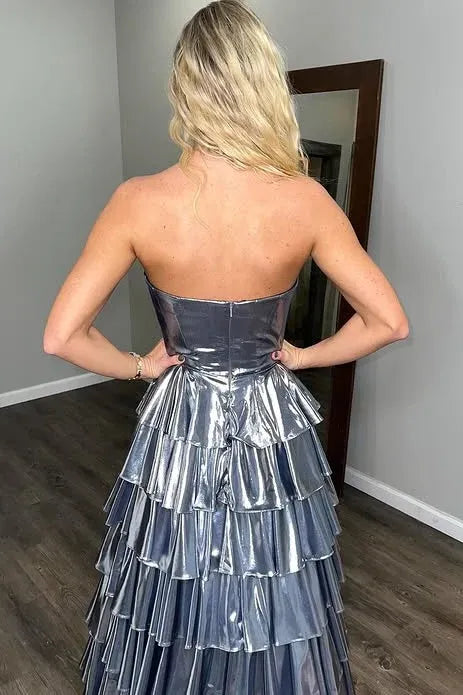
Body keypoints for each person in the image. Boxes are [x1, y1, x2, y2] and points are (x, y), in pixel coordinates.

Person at [43, 1, 409, 693]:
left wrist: (140, 366)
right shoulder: (304, 200)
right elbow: (388, 322)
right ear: (262, 83)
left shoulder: (138, 200)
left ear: (184, 88)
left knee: (174, 570)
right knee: (270, 571)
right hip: (270, 417)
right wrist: (301, 356)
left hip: (180, 416)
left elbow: (61, 336)